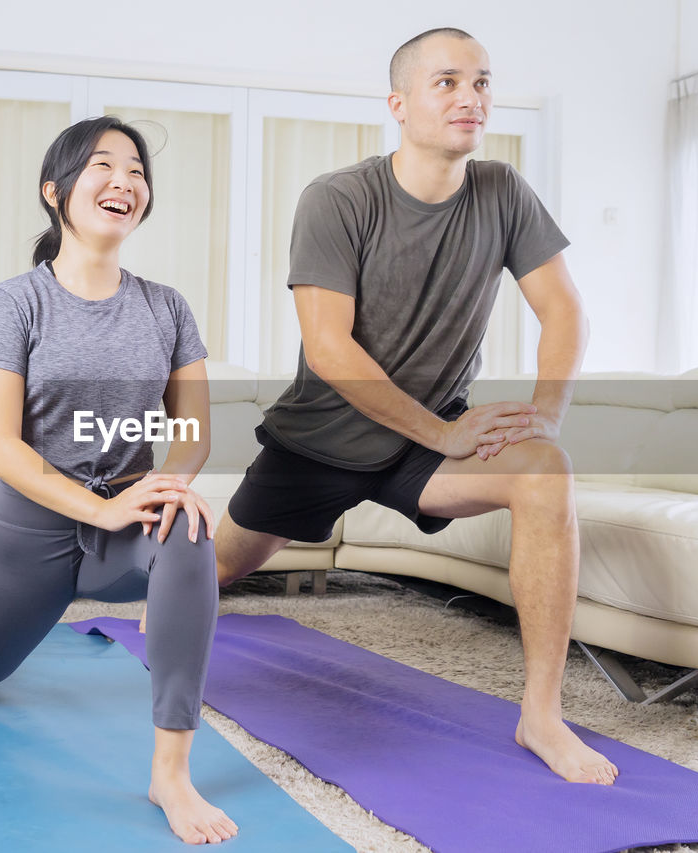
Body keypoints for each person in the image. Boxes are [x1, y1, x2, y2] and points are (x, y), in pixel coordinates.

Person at [218, 28, 619, 785]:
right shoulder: (338, 198)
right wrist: (445, 431)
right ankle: (148, 605)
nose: (471, 97)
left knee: (546, 472)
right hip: (320, 440)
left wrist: (545, 416)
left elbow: (566, 313)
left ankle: (542, 713)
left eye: (482, 82)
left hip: (425, 448)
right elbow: (330, 348)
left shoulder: (503, 192)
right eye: (447, 83)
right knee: (217, 569)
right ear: (400, 105)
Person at [0, 116, 239, 844]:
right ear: (56, 191)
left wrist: (166, 486)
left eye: (136, 171)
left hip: (124, 523)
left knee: (189, 528)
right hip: (26, 532)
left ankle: (171, 770)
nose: (124, 182)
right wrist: (95, 512)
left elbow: (191, 428)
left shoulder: (166, 306)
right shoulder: (15, 302)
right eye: (104, 166)